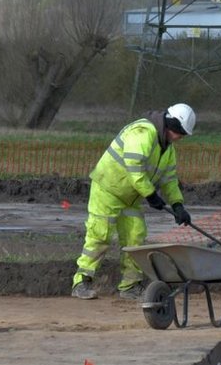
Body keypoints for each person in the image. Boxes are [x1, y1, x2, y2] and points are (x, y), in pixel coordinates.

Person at [71, 103, 196, 301]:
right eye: (178, 132)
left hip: (130, 197)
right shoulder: (142, 133)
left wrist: (178, 205)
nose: (180, 137)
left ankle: (129, 286)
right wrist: (151, 194)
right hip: (108, 189)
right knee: (100, 234)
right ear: (169, 125)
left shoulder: (168, 150)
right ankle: (81, 281)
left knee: (135, 237)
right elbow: (134, 168)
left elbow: (170, 180)